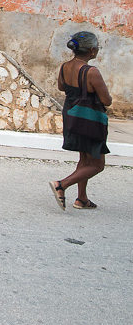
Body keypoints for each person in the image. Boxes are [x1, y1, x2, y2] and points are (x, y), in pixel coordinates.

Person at [49, 31, 112, 210]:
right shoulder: (91, 72)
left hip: (72, 117)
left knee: (84, 159)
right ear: (92, 51)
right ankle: (61, 185)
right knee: (98, 164)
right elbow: (106, 100)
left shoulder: (64, 67)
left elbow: (62, 87)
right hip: (90, 120)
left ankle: (82, 199)